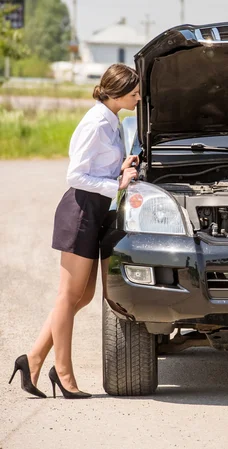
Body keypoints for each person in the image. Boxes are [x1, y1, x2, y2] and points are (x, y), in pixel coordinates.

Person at [9, 63, 141, 399]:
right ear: (116, 93)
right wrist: (117, 184)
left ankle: (33, 358)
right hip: (80, 210)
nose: (139, 98)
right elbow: (76, 175)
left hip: (96, 211)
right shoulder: (96, 122)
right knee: (69, 296)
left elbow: (102, 168)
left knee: (83, 296)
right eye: (134, 93)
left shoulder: (115, 122)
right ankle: (63, 373)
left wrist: (122, 167)